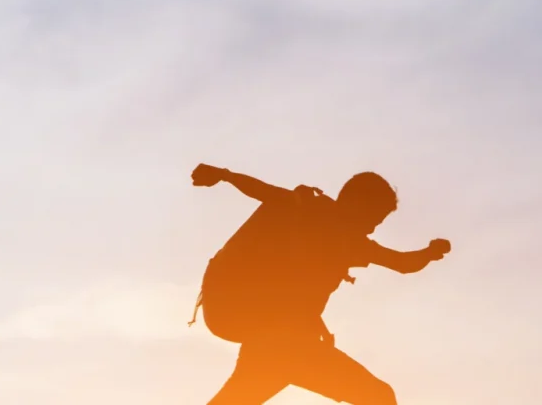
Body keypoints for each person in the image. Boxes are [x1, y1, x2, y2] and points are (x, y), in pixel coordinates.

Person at [189, 163, 452, 405]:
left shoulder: (346, 237)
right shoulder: (309, 209)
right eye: (374, 219)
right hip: (281, 339)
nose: (371, 229)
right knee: (379, 397)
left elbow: (403, 264)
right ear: (357, 204)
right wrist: (224, 175)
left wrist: (428, 253)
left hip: (270, 348)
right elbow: (265, 191)